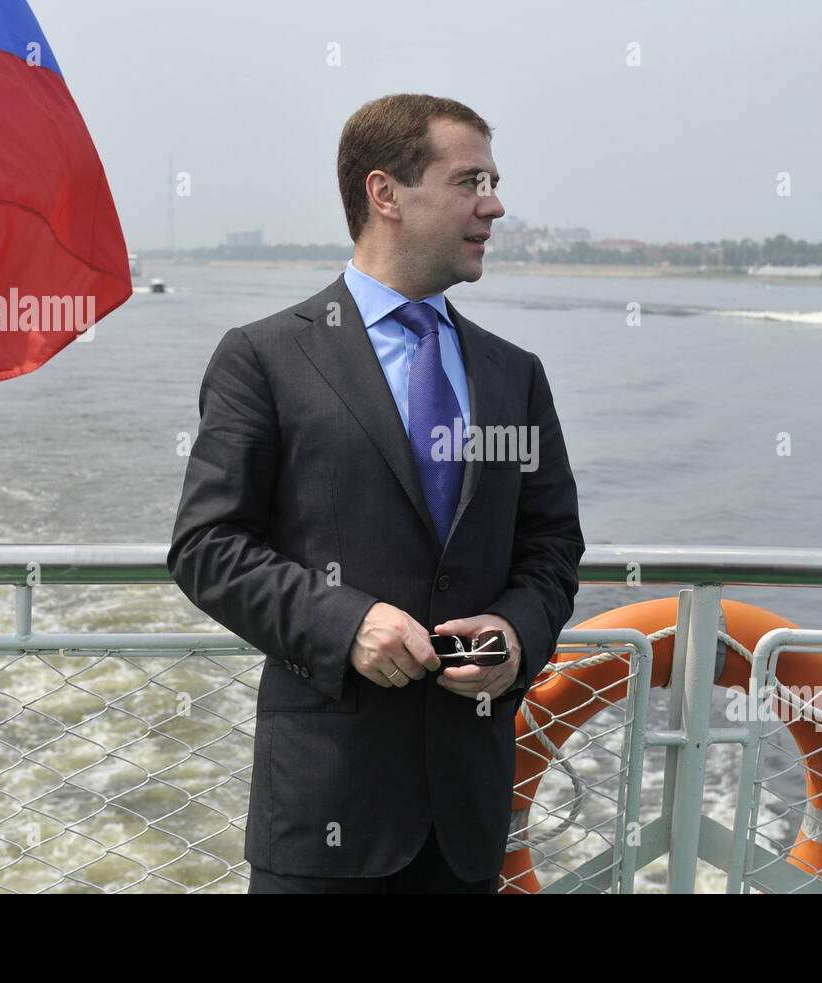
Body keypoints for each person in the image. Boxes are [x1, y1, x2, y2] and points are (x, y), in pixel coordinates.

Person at [167, 93, 584, 893]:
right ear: (385, 194)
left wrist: (517, 631)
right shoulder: (264, 358)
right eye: (470, 182)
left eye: (492, 181)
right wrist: (345, 620)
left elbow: (552, 545)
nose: (494, 206)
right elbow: (206, 547)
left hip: (468, 818)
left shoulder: (515, 375)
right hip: (326, 809)